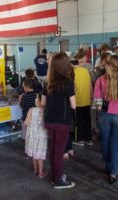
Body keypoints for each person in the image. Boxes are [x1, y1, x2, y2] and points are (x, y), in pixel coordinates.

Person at [94, 55, 118, 184]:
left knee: (105, 142)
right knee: (116, 145)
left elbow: (96, 99)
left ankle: (108, 167)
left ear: (108, 65)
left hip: (105, 115)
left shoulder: (101, 79)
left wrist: (100, 112)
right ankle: (113, 172)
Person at [41, 52, 76, 189]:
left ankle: (56, 176)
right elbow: (73, 105)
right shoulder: (68, 83)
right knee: (59, 151)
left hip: (49, 120)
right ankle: (58, 180)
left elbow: (43, 103)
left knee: (53, 149)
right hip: (62, 122)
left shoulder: (47, 82)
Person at [72, 49, 93, 146]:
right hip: (87, 100)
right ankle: (88, 139)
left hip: (77, 101)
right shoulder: (86, 71)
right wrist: (91, 97)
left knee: (78, 121)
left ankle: (79, 140)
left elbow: (73, 87)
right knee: (87, 120)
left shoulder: (73, 72)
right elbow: (90, 86)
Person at [24, 93, 48, 178]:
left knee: (34, 152)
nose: (35, 100)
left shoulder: (31, 110)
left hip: (32, 134)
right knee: (39, 154)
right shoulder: (46, 111)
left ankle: (35, 169)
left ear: (39, 101)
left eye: (36, 99)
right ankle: (41, 172)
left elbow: (26, 123)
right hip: (41, 135)